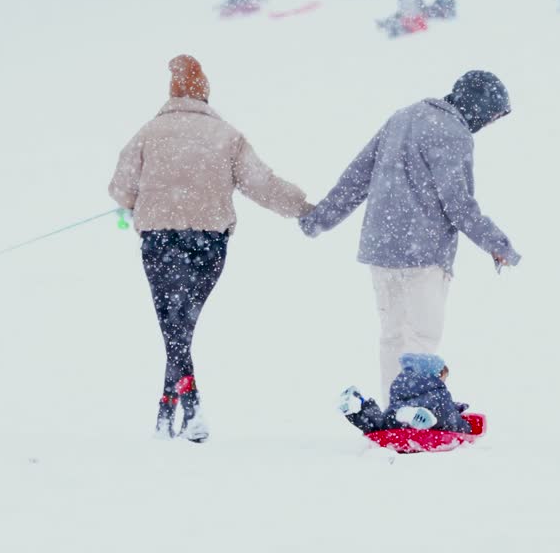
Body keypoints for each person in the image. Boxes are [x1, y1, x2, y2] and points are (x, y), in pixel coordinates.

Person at [109, 55, 314, 442]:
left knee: (173, 326)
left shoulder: (149, 133)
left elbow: (120, 187)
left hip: (159, 240)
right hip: (207, 242)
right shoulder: (227, 137)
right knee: (182, 325)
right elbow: (263, 184)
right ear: (205, 94)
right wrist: (303, 208)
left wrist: (140, 201)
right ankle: (185, 409)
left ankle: (173, 408)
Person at [299, 70, 521, 397]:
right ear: (478, 108)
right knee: (420, 338)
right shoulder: (454, 133)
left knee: (392, 336)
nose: (488, 125)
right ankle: (413, 411)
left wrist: (320, 219)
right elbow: (458, 204)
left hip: (382, 249)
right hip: (424, 254)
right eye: (490, 118)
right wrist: (498, 245)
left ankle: (395, 408)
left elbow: (357, 177)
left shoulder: (402, 118)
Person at [337, 353, 472, 434]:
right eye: (444, 378)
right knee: (442, 417)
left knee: (381, 424)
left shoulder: (400, 385)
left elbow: (391, 408)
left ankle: (360, 408)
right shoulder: (439, 393)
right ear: (437, 375)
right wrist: (466, 427)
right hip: (425, 422)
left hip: (396, 420)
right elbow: (452, 419)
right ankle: (416, 419)